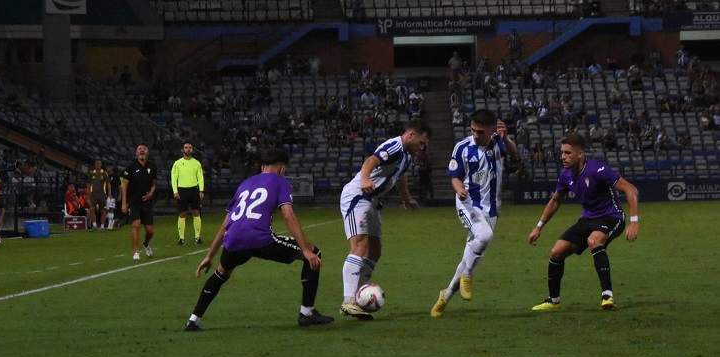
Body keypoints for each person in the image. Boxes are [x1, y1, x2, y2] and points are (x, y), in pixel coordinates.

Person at [183, 147, 334, 330]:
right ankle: (307, 313)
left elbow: (225, 224)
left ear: (263, 167)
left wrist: (210, 256)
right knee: (314, 252)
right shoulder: (280, 181)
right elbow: (288, 216)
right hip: (260, 239)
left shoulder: (245, 184)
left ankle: (193, 320)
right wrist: (305, 250)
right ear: (282, 169)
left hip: (233, 240)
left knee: (221, 273)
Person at [527, 132, 639, 311]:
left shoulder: (597, 170)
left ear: (580, 154)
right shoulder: (565, 176)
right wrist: (538, 227)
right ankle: (553, 301)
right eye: (562, 152)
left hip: (612, 217)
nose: (563, 157)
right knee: (556, 252)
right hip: (587, 219)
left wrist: (634, 221)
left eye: (567, 153)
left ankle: (607, 296)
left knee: (594, 241)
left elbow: (631, 189)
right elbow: (555, 201)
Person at [339, 118, 432, 320]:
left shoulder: (407, 155)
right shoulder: (395, 146)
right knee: (360, 245)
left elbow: (399, 176)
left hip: (373, 202)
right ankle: (349, 301)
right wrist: (365, 179)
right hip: (358, 197)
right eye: (422, 143)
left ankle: (359, 298)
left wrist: (406, 199)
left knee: (375, 250)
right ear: (411, 135)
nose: (422, 148)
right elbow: (371, 161)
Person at [430, 109, 519, 318]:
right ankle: (468, 276)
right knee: (485, 236)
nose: (476, 135)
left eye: (480, 132)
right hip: (468, 203)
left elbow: (514, 154)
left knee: (470, 255)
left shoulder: (498, 142)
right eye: (473, 130)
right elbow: (454, 176)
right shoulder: (462, 147)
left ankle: (445, 296)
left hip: (492, 209)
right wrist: (459, 188)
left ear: (491, 131)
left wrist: (507, 138)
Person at [121, 144, 157, 260]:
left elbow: (154, 184)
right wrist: (124, 203)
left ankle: (146, 243)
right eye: (139, 149)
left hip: (146, 202)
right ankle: (136, 252)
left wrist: (151, 193)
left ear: (147, 152)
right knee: (136, 224)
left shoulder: (152, 166)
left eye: (144, 149)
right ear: (136, 153)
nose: (142, 150)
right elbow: (124, 186)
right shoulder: (131, 167)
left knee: (149, 230)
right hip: (134, 201)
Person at [171, 142, 205, 245]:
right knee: (182, 213)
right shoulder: (177, 163)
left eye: (190, 147)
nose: (188, 149)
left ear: (192, 150)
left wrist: (201, 190)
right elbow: (174, 178)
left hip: (194, 190)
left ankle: (197, 237)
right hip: (182, 190)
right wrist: (175, 191)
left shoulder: (197, 163)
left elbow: (200, 177)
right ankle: (181, 238)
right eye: (186, 147)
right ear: (183, 150)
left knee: (196, 212)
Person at [88, 159, 111, 232]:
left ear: (101, 164)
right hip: (93, 194)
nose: (98, 165)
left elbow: (108, 183)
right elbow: (88, 183)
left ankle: (102, 226)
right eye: (96, 163)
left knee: (103, 210)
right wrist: (88, 192)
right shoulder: (92, 173)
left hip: (102, 194)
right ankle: (94, 225)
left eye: (99, 163)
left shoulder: (104, 173)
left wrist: (109, 192)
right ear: (95, 165)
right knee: (92, 209)